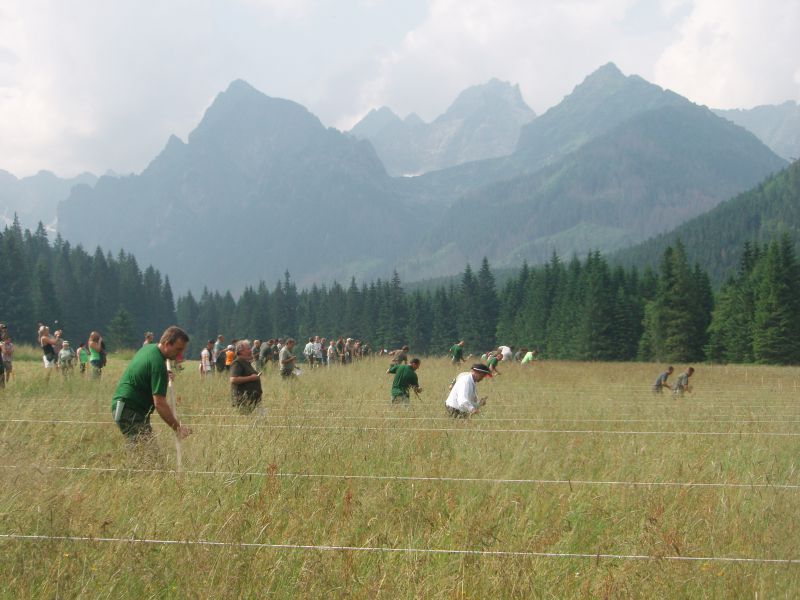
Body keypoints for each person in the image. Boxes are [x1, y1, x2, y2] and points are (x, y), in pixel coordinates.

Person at [111, 326, 192, 442]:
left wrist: (164, 373)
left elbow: (147, 371)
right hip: (129, 409)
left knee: (142, 453)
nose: (180, 354)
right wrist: (177, 427)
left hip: (127, 407)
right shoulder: (158, 364)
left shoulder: (149, 348)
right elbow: (160, 403)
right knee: (149, 455)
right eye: (178, 349)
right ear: (167, 344)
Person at [229, 340, 263, 413]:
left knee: (261, 421)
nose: (251, 350)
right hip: (243, 402)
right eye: (248, 349)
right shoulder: (237, 363)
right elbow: (233, 379)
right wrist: (251, 378)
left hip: (252, 401)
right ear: (241, 351)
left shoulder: (246, 362)